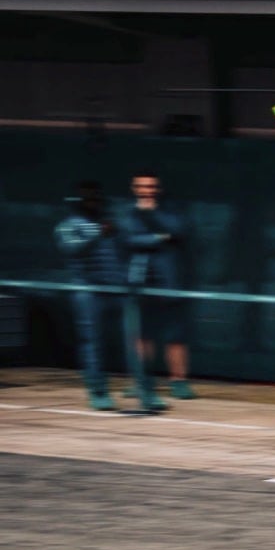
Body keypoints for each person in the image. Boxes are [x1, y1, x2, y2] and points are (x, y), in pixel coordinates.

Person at [115, 170, 193, 406]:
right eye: (142, 186)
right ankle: (139, 381)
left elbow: (178, 232)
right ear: (134, 188)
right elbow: (127, 240)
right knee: (141, 334)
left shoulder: (171, 211)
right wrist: (158, 238)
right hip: (138, 282)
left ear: (158, 188)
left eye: (151, 186)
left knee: (175, 334)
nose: (147, 190)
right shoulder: (126, 214)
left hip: (169, 281)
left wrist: (151, 222)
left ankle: (178, 381)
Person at [53, 181, 129, 411]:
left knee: (131, 340)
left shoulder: (110, 225)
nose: (92, 202)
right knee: (93, 343)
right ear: (77, 201)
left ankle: (140, 387)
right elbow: (71, 248)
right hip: (88, 293)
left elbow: (120, 257)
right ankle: (98, 391)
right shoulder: (67, 226)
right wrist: (98, 233)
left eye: (96, 197)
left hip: (116, 290)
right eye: (87, 198)